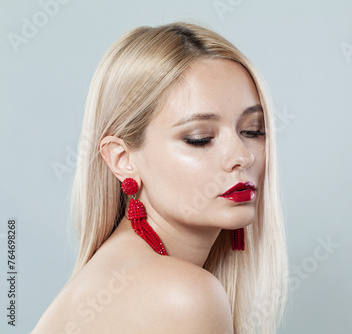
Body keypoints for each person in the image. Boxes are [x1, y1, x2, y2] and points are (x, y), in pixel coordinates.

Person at [32, 21, 289, 334]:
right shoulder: (181, 295)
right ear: (122, 159)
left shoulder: (121, 273)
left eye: (252, 131)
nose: (243, 156)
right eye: (200, 137)